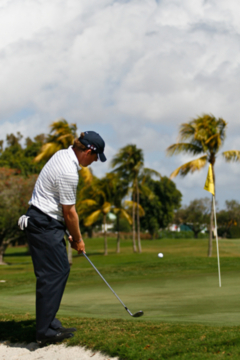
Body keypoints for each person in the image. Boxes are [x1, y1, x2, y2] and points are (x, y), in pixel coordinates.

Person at [18, 131, 107, 346]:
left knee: (57, 271)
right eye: (96, 157)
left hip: (46, 221)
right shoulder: (69, 171)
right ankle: (44, 331)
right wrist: (78, 239)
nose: (95, 161)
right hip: (43, 223)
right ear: (88, 151)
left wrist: (63, 229)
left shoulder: (62, 155)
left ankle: (49, 323)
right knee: (54, 272)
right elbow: (70, 213)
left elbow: (58, 207)